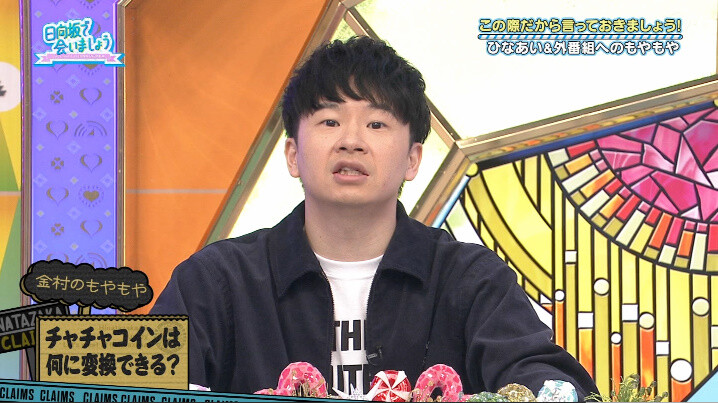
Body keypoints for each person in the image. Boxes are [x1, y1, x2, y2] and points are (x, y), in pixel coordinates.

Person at [151, 36, 599, 399]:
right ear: (292, 154)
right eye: (329, 121)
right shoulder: (212, 281)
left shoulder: (471, 279)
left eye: (377, 124)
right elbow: (137, 385)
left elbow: (544, 377)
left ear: (413, 159)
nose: (351, 140)